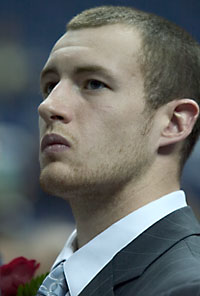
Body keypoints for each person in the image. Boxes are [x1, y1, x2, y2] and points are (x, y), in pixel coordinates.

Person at [37, 5, 200, 296]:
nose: (49, 106)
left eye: (94, 84)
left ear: (175, 123)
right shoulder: (62, 278)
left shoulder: (186, 287)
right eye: (50, 86)